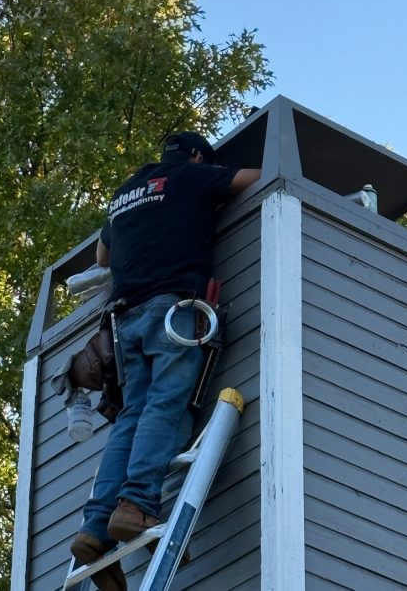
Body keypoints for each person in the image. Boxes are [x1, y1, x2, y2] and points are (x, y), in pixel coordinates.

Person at [70, 131, 260, 591]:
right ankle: (135, 505)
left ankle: (95, 529)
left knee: (132, 414)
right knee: (165, 405)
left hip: (125, 319)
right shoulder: (192, 176)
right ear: (196, 156)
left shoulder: (124, 193)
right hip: (172, 311)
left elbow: (102, 255)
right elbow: (254, 177)